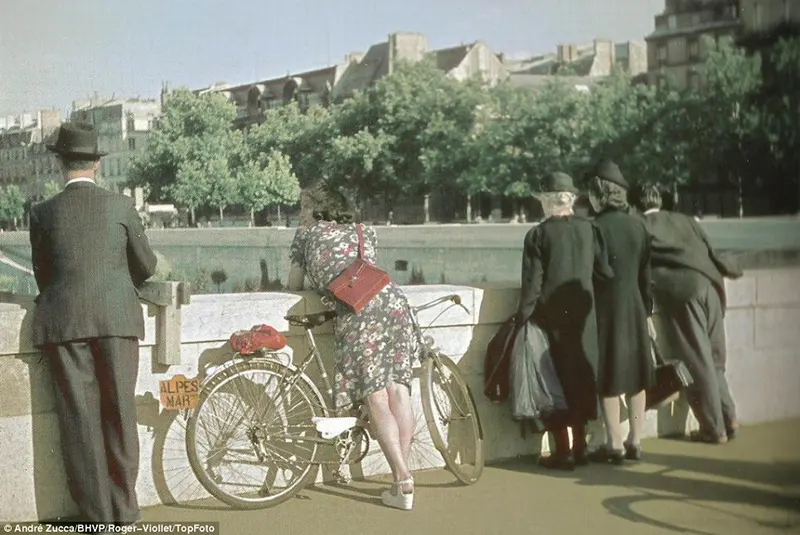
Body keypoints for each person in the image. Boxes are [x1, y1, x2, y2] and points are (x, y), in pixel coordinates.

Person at [29, 122, 157, 525]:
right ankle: (125, 510)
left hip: (65, 321)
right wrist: (116, 286)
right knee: (120, 412)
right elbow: (147, 266)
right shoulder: (121, 207)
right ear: (97, 164)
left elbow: (42, 274)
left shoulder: (43, 213)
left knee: (79, 420)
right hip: (117, 318)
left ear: (60, 164)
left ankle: (97, 517)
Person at [287, 183, 422, 510]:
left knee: (375, 395)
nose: (301, 214)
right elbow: (363, 272)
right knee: (398, 391)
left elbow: (292, 284)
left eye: (304, 207)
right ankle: (401, 480)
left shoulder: (306, 235)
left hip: (358, 313)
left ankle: (403, 480)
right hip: (393, 303)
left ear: (317, 210)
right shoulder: (365, 231)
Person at [517, 172, 614, 471]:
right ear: (570, 199)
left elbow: (532, 284)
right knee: (582, 378)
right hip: (585, 318)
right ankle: (581, 447)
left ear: (546, 201)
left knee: (553, 383)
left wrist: (521, 319)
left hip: (552, 320)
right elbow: (605, 273)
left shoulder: (538, 235)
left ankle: (563, 451)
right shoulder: (591, 230)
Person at [636, 186, 742, 444]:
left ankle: (713, 429)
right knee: (715, 360)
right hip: (712, 285)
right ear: (660, 201)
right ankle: (730, 418)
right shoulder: (684, 219)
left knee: (697, 361)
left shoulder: (639, 224)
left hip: (683, 293)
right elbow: (709, 249)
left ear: (636, 205)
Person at [585, 160, 654, 464]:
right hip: (636, 306)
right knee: (637, 374)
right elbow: (645, 276)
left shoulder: (595, 228)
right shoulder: (639, 225)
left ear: (599, 194)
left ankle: (614, 441)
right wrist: (647, 312)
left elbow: (594, 274)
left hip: (606, 309)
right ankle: (635, 439)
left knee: (609, 374)